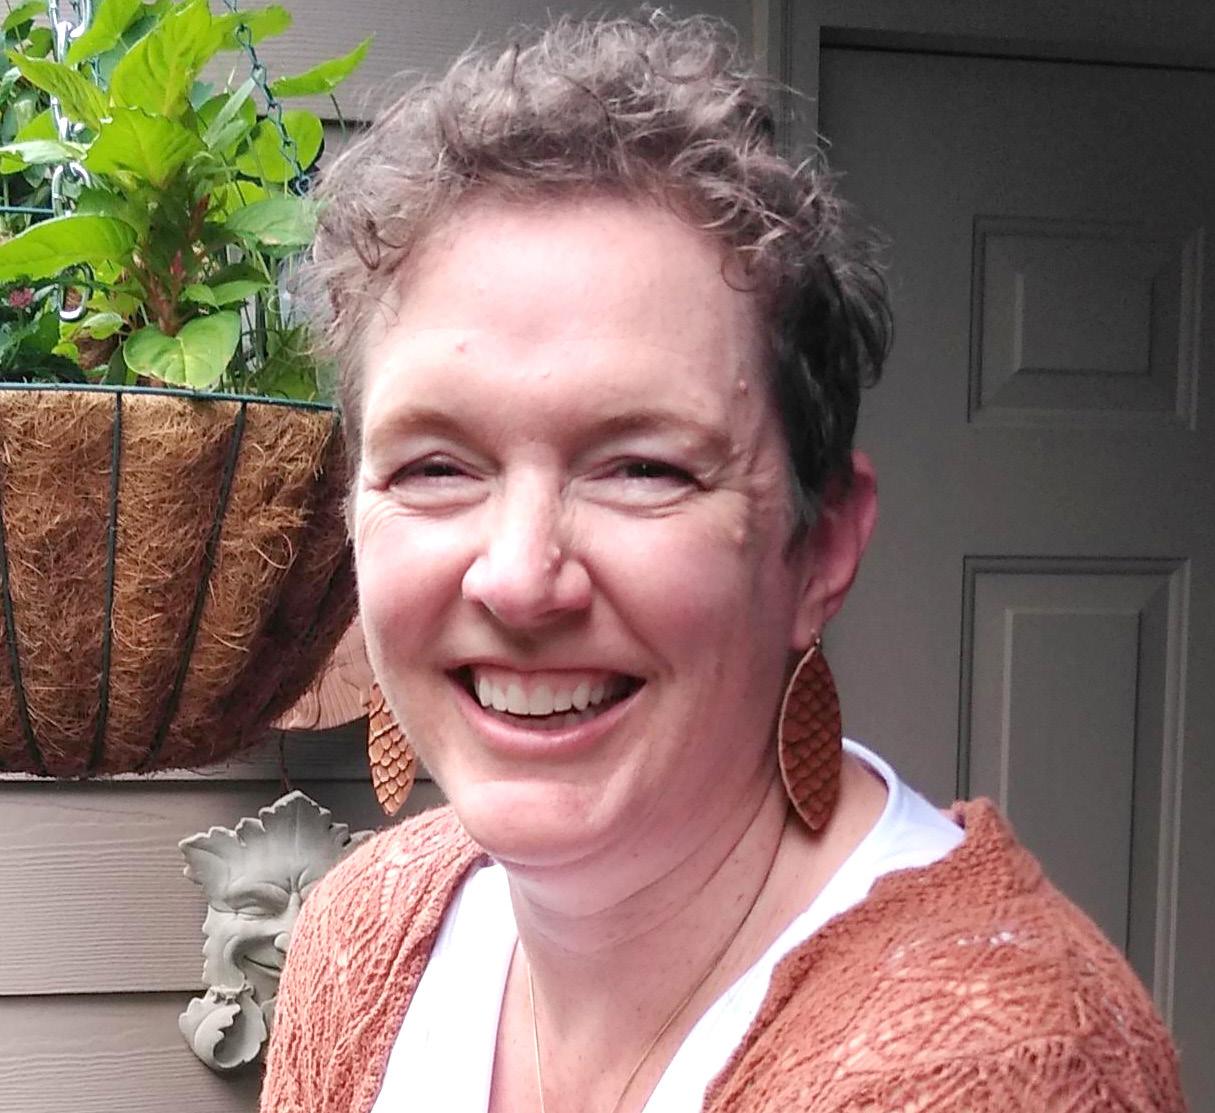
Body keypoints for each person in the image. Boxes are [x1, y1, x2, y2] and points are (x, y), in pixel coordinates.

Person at [261, 14, 1185, 1113]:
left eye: (642, 468)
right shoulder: (363, 937)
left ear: (820, 545)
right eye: (434, 468)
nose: (517, 577)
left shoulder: (998, 1068)